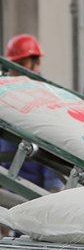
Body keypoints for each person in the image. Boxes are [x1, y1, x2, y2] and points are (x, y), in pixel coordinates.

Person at [1, 34, 63, 195]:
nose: (18, 71)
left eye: (23, 64)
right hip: (10, 181)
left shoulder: (48, 96)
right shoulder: (6, 95)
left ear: (38, 63)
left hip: (39, 185)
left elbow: (53, 138)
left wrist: (53, 186)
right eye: (14, 65)